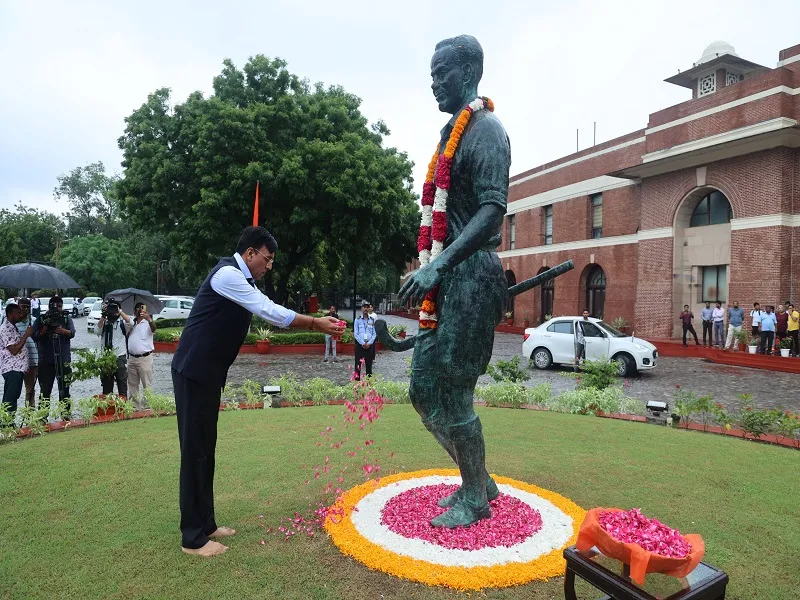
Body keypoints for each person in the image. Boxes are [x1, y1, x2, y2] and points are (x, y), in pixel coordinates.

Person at [171, 226, 343, 557]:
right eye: (267, 258)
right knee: (195, 451)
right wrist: (314, 322)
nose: (270, 266)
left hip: (207, 374)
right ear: (250, 253)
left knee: (206, 449)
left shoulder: (239, 278)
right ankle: (192, 538)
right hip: (193, 371)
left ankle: (206, 523)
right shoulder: (227, 275)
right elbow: (270, 312)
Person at [397, 35, 511, 528]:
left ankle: (475, 497)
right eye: (431, 72)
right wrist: (431, 266)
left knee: (456, 392)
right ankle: (478, 479)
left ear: (468, 72)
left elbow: (492, 210)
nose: (433, 82)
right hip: (445, 280)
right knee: (423, 389)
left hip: (471, 278)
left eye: (441, 72)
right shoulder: (449, 136)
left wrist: (438, 266)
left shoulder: (485, 130)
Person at [32, 296, 75, 414]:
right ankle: (42, 417)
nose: (57, 309)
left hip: (63, 360)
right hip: (46, 361)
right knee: (45, 390)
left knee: (65, 390)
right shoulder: (42, 319)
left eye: (60, 306)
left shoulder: (66, 318)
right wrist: (45, 327)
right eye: (55, 306)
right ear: (49, 306)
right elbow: (34, 336)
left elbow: (72, 333)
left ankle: (65, 414)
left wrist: (63, 331)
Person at [0, 302, 32, 414]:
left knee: (13, 397)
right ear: (9, 314)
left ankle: (9, 422)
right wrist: (26, 335)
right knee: (10, 398)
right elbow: (14, 350)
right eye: (17, 313)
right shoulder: (5, 329)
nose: (20, 315)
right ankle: (6, 424)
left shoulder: (13, 327)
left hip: (18, 368)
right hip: (11, 369)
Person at [96, 299, 131, 396]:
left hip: (119, 357)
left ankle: (123, 408)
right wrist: (103, 315)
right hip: (106, 358)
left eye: (114, 308)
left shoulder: (121, 323)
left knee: (122, 385)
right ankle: (108, 409)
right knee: (107, 387)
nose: (112, 311)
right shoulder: (104, 322)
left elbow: (130, 322)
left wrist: (119, 311)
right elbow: (97, 331)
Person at [127, 302, 156, 410]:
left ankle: (147, 405)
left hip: (145, 358)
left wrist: (149, 319)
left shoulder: (148, 323)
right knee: (132, 383)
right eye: (137, 309)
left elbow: (154, 329)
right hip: (132, 358)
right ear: (134, 311)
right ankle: (134, 405)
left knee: (146, 383)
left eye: (141, 309)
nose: (139, 311)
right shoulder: (131, 323)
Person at [17, 298, 39, 406]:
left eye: (27, 306)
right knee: (15, 390)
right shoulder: (14, 323)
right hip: (18, 361)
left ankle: (30, 413)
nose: (25, 309)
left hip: (33, 360)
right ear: (18, 307)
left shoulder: (35, 321)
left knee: (30, 390)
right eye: (23, 306)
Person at [353, 300, 376, 380]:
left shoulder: (372, 320)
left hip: (369, 346)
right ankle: (356, 385)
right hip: (360, 346)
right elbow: (356, 334)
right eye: (364, 307)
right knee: (357, 366)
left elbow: (374, 334)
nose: (366, 309)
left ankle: (369, 386)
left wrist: (369, 343)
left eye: (367, 307)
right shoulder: (357, 320)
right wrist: (362, 343)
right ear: (361, 309)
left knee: (369, 367)